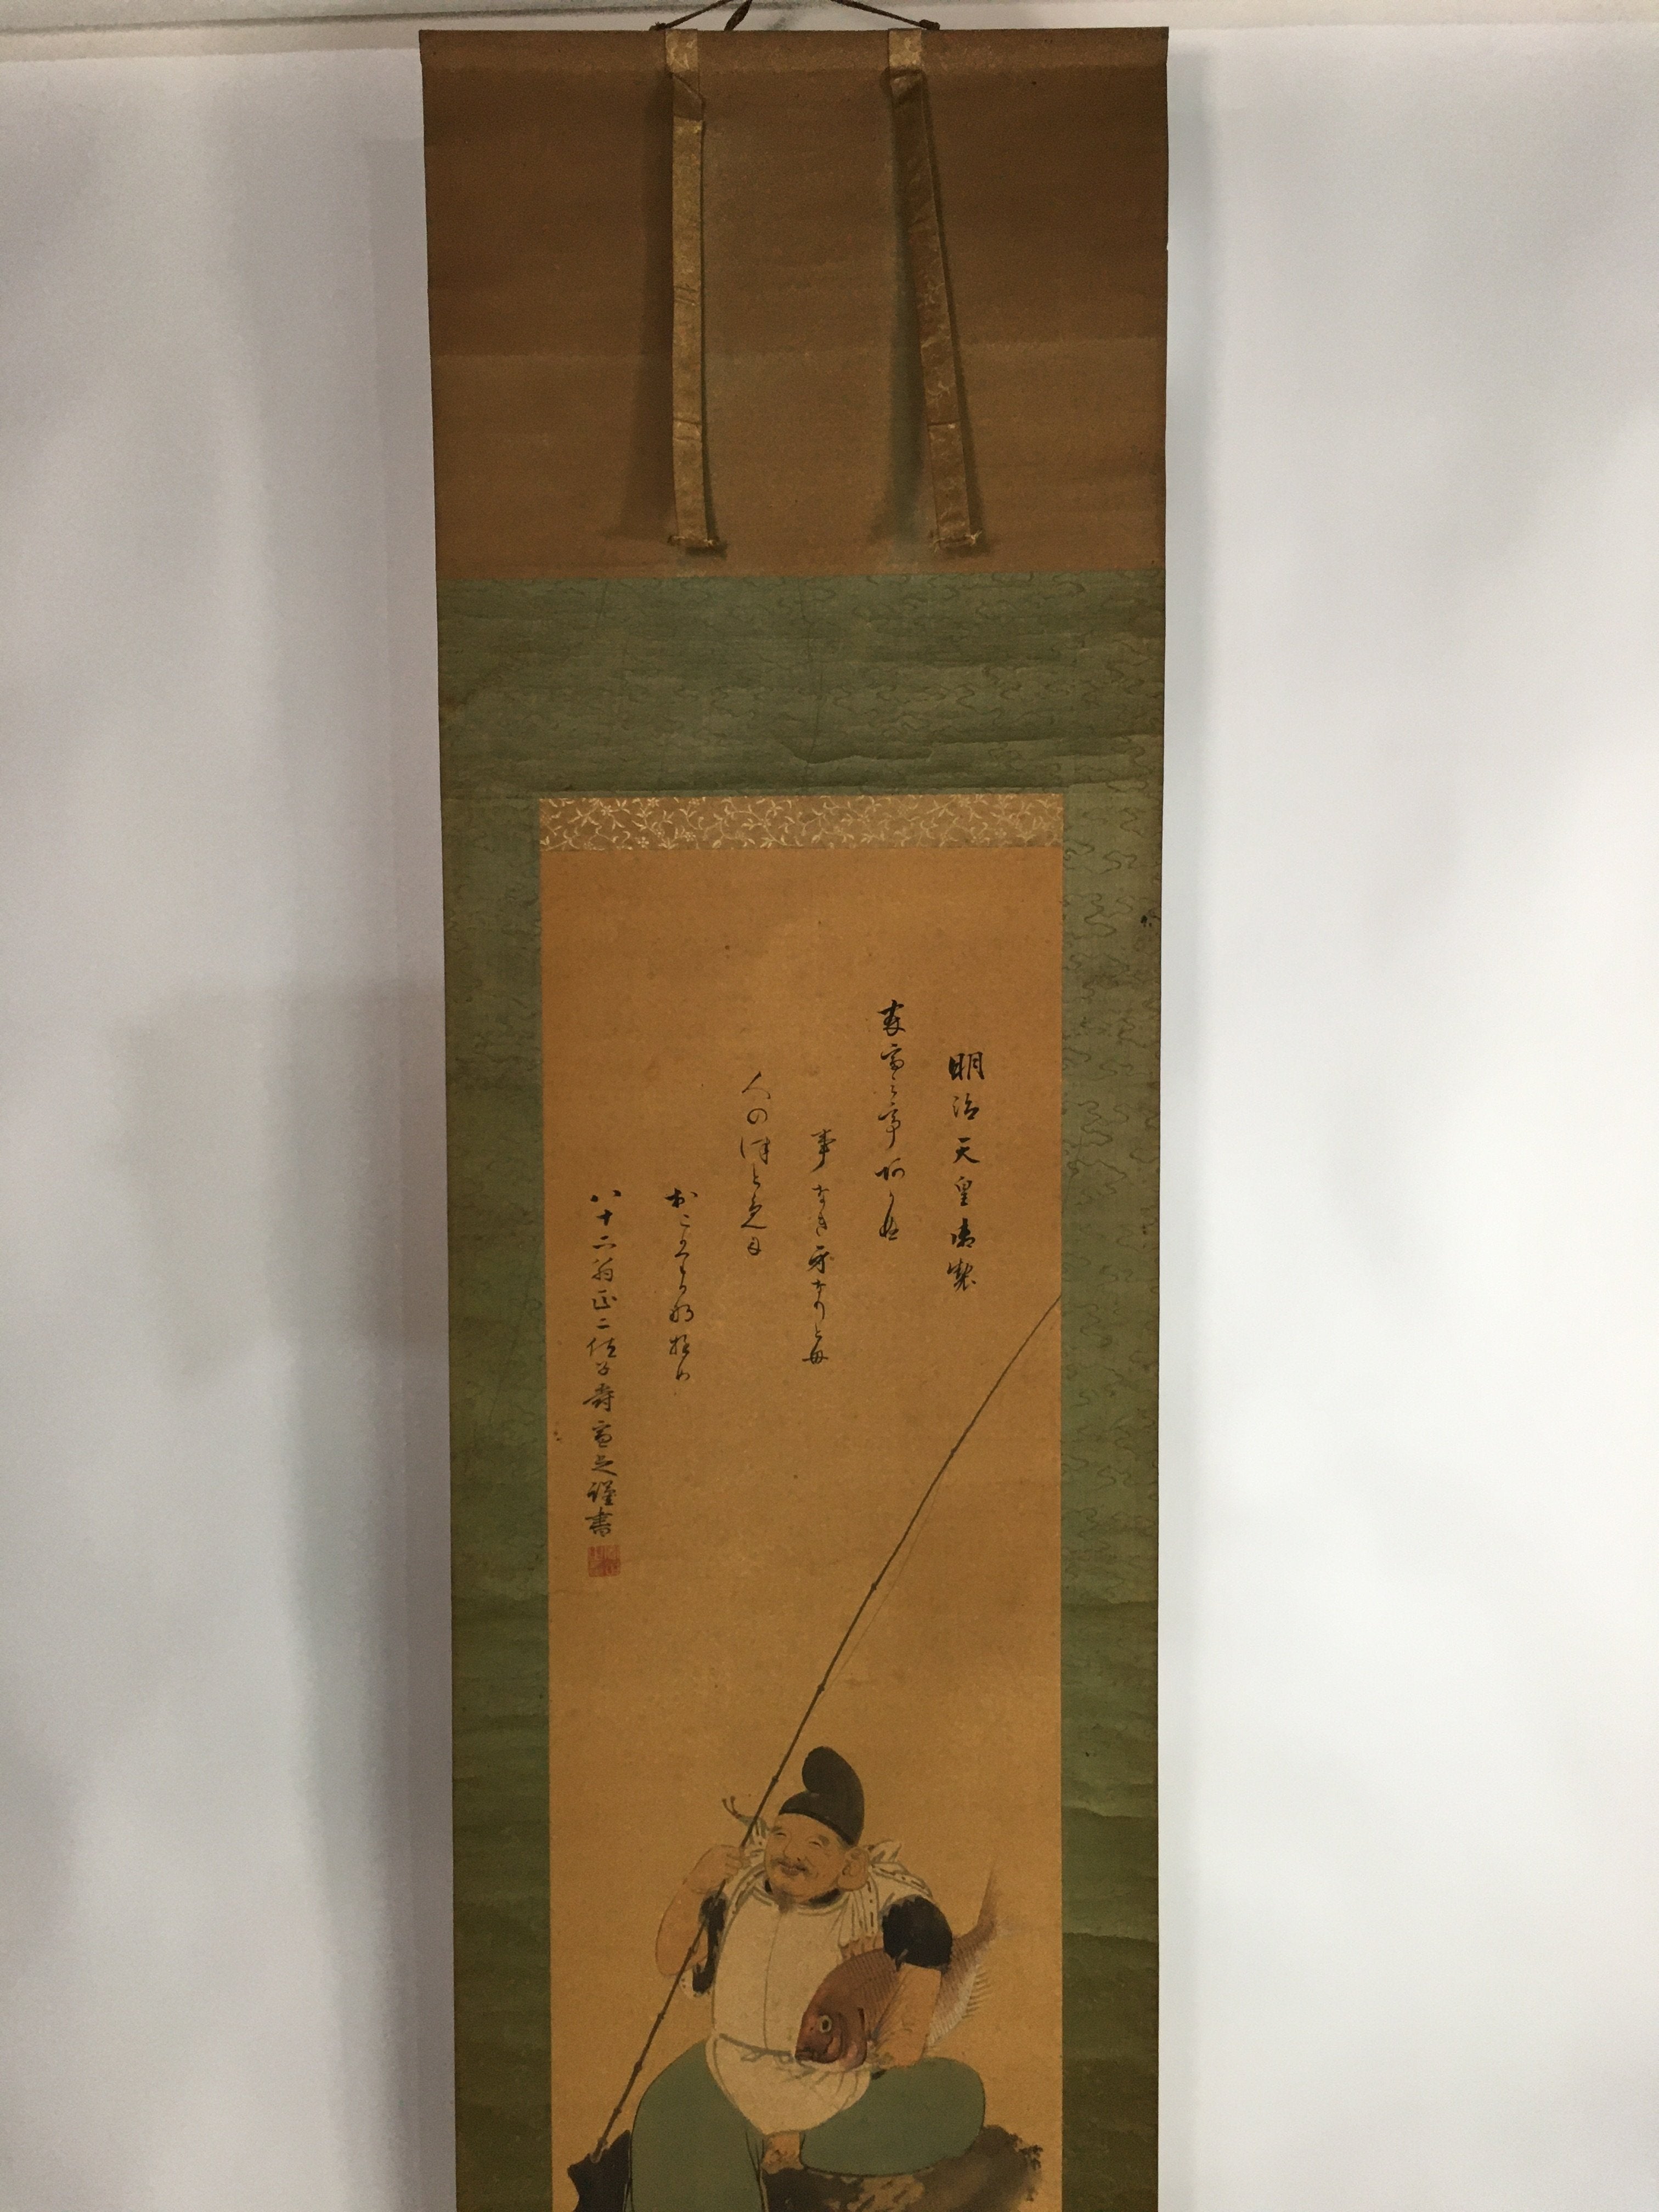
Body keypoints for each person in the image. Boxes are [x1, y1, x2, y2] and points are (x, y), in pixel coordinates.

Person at [628, 1748, 984, 2212]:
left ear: (851, 1866)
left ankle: (808, 2143)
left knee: (959, 2096)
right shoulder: (740, 1890)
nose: (792, 1854)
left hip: (836, 2079)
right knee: (663, 2110)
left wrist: (899, 2034)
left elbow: (923, 1944)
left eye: (816, 1844)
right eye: (781, 1835)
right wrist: (694, 1887)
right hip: (730, 2070)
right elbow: (672, 1962)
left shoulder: (875, 1899)